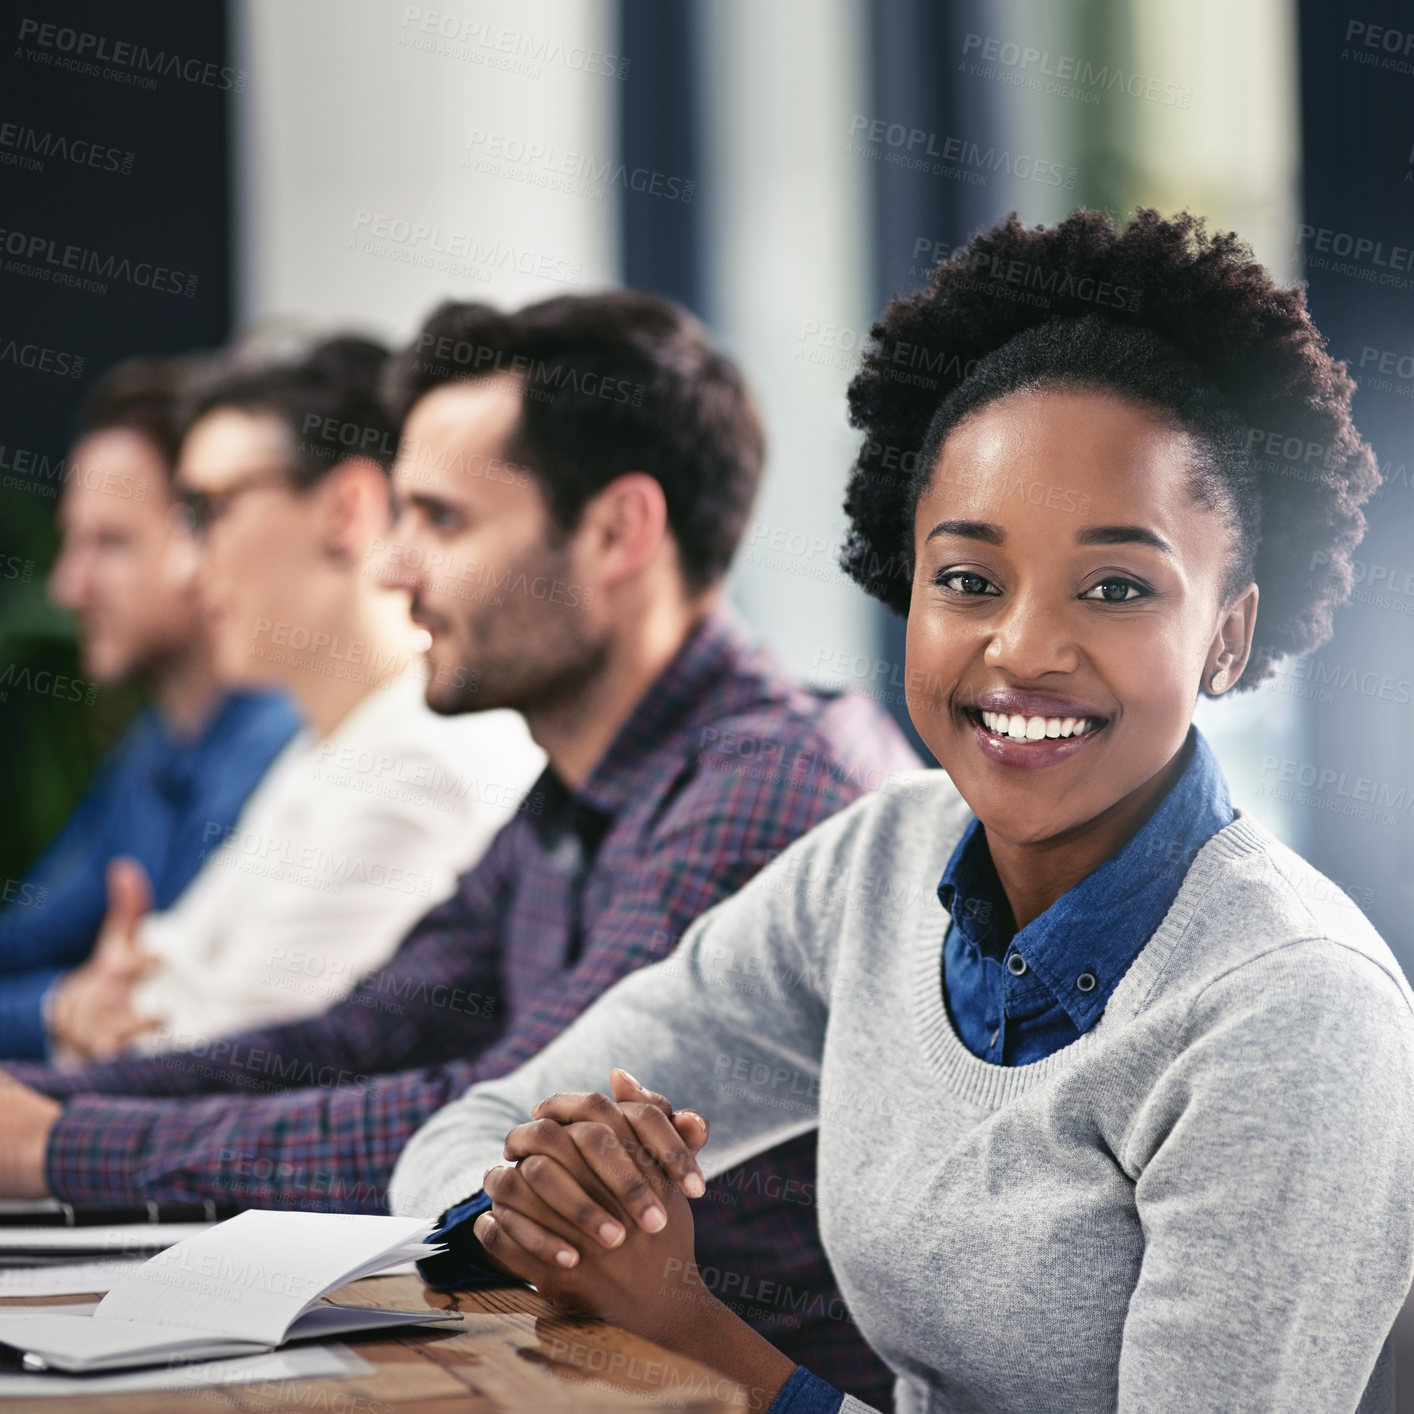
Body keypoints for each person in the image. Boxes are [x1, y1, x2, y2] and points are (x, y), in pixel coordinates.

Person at [388, 211, 1414, 1414]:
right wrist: (543, 1203)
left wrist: (684, 1324)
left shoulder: (1290, 1012)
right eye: (967, 579)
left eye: (1117, 587)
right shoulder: (877, 865)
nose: (1022, 648)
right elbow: (472, 1138)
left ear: (1227, 635)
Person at [0, 292, 919, 1407]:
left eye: (441, 520)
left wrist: (62, 1145)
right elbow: (362, 1037)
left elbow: (501, 1123)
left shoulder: (762, 785)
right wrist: (36, 1102)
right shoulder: (570, 787)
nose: (392, 568)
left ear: (619, 530)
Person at [47, 334, 546, 1058]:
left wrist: (104, 1025)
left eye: (208, 510)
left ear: (345, 511)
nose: (186, 569)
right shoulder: (328, 744)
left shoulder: (416, 765)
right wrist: (95, 1015)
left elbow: (216, 1072)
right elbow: (157, 985)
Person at [0, 357, 301, 1062]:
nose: (69, 586)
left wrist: (60, 1009)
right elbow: (32, 938)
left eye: (111, 543)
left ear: (205, 534)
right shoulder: (158, 743)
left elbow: (145, 1009)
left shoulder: (277, 749)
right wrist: (55, 1008)